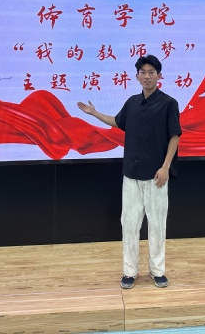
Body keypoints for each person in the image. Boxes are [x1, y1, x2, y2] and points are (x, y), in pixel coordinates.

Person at [77, 55, 181, 289]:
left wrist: (165, 167)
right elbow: (117, 121)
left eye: (151, 72)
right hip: (131, 174)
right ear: (137, 76)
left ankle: (157, 271)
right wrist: (94, 113)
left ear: (159, 76)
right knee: (130, 224)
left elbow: (174, 135)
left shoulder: (169, 103)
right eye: (143, 72)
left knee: (157, 224)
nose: (147, 76)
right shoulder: (132, 102)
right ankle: (129, 272)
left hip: (156, 176)